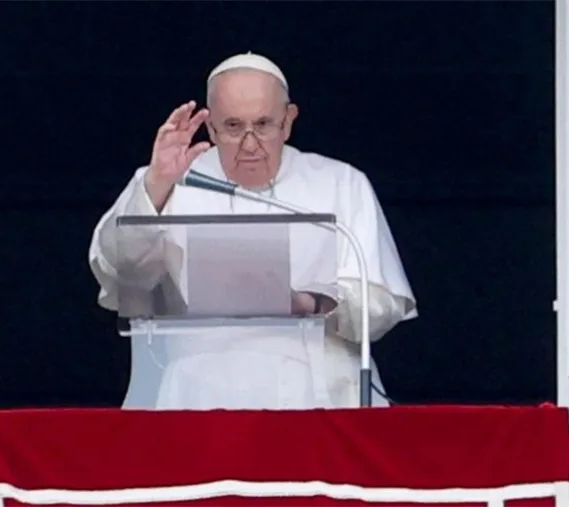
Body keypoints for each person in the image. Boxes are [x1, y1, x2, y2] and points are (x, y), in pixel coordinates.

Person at [89, 52, 417, 409]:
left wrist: (307, 302)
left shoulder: (341, 183)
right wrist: (156, 183)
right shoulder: (168, 180)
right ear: (210, 127)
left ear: (288, 121)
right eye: (232, 127)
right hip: (196, 398)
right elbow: (118, 273)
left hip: (316, 394)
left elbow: (380, 306)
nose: (249, 144)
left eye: (263, 125)